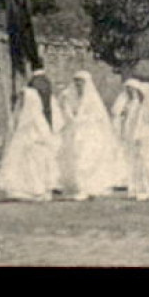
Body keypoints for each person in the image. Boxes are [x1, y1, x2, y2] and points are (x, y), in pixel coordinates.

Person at [60, 69, 125, 199]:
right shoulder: (69, 96)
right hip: (74, 131)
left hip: (89, 134)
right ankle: (78, 187)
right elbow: (66, 112)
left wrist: (84, 122)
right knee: (74, 158)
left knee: (87, 159)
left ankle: (89, 187)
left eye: (81, 82)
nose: (78, 84)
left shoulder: (93, 100)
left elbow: (98, 118)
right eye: (76, 81)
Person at [0, 74, 59, 202]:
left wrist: (35, 141)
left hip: (34, 148)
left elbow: (44, 135)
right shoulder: (20, 118)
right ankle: (21, 190)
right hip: (23, 145)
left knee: (34, 167)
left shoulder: (37, 118)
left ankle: (36, 190)